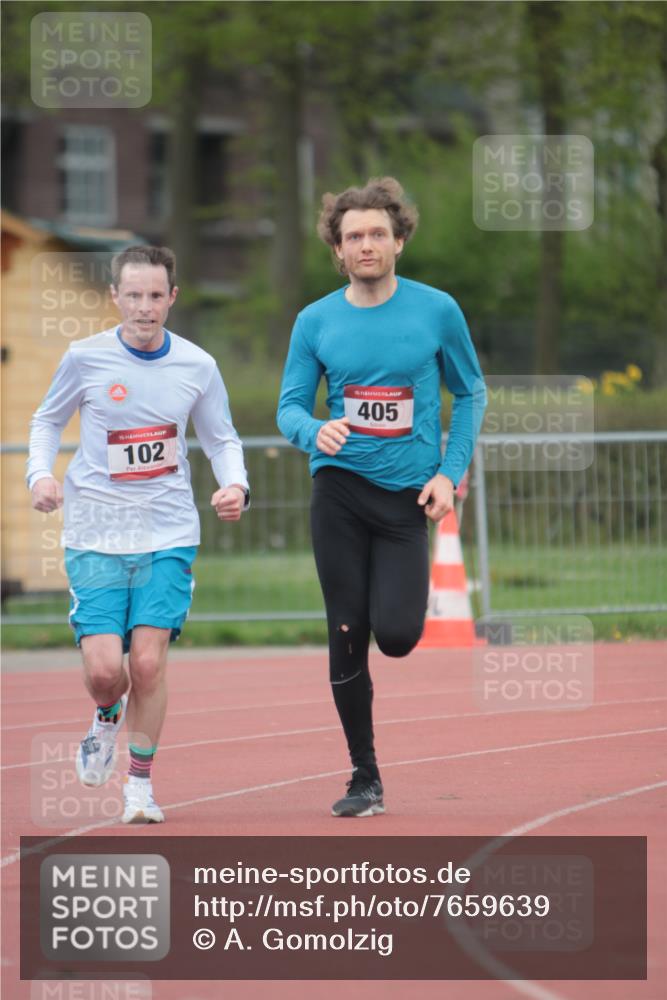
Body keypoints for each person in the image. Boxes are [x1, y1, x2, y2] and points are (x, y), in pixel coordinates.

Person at [277, 177, 487, 817]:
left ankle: (375, 620)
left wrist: (449, 473)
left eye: (376, 234)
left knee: (394, 635)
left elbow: (471, 392)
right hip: (338, 489)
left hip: (406, 499)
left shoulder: (436, 310)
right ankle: (363, 777)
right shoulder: (315, 321)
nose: (365, 245)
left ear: (399, 241)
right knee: (346, 632)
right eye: (352, 237)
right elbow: (289, 408)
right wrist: (317, 429)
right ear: (337, 251)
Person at [28, 245, 249, 824]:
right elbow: (47, 420)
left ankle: (140, 786)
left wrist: (236, 486)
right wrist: (40, 475)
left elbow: (222, 437)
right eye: (134, 295)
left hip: (167, 531)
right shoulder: (85, 358)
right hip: (96, 530)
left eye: (156, 296)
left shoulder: (198, 366)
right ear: (115, 298)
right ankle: (106, 717)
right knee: (107, 672)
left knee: (148, 665)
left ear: (172, 298)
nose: (145, 307)